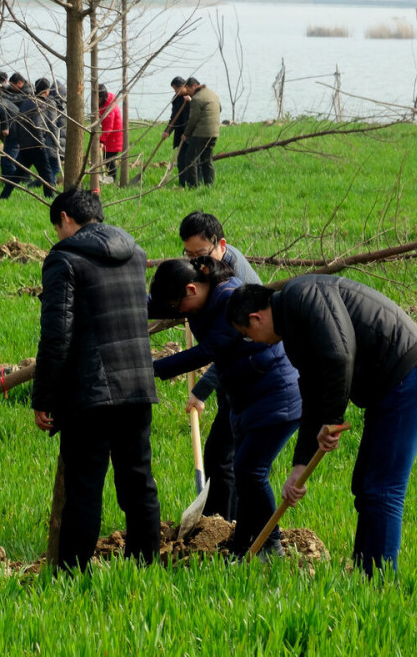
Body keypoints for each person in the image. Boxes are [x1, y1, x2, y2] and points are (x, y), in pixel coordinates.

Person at [226, 277, 417, 576]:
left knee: (381, 488)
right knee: (365, 486)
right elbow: (312, 395)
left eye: (247, 335)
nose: (254, 342)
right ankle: (366, 573)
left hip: (409, 375)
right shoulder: (294, 332)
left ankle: (378, 582)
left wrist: (332, 421)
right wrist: (300, 465)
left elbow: (339, 355)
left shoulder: (303, 296)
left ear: (256, 318)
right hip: (390, 387)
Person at [32, 189, 160, 570]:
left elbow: (57, 334)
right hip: (137, 385)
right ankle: (145, 564)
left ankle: (72, 574)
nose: (57, 235)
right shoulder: (136, 253)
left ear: (67, 218)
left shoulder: (64, 259)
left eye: (57, 226)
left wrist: (43, 397)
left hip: (89, 392)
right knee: (138, 483)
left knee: (84, 489)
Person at [148, 257, 301, 558]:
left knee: (251, 472)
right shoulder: (203, 297)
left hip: (275, 394)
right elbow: (158, 305)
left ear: (191, 290)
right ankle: (241, 544)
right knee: (244, 474)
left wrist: (148, 367)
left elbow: (208, 351)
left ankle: (272, 544)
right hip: (245, 398)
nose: (178, 314)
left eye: (178, 306)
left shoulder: (229, 299)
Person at [174, 210, 262, 521]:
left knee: (225, 457)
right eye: (188, 255)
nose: (195, 263)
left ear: (220, 245)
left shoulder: (233, 285)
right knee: (224, 456)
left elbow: (226, 347)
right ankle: (219, 522)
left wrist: (201, 389)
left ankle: (222, 526)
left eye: (200, 255)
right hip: (235, 370)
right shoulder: (206, 267)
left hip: (254, 372)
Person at [2, 77, 55, 198]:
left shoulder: (27, 102)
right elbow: (37, 125)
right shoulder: (40, 104)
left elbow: (19, 123)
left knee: (17, 174)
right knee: (46, 174)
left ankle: (4, 196)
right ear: (46, 91)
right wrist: (41, 141)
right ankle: (50, 198)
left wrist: (21, 140)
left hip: (25, 144)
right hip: (36, 145)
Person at [181, 77, 220, 188]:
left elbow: (193, 119)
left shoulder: (197, 99)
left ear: (194, 86)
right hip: (214, 133)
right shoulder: (213, 94)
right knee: (207, 159)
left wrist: (186, 134)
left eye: (188, 90)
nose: (188, 93)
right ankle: (209, 185)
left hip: (201, 134)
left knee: (190, 158)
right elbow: (220, 109)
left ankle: (192, 186)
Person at [0, 73, 30, 199]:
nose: (11, 87)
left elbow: (14, 98)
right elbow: (11, 93)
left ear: (20, 83)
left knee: (10, 158)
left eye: (12, 85)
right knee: (19, 158)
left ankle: (10, 181)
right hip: (20, 128)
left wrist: (0, 92)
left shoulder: (27, 93)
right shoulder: (21, 89)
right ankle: (20, 180)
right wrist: (2, 87)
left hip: (20, 128)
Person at [162, 76, 192, 187]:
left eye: (177, 89)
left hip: (191, 133)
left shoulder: (192, 97)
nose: (176, 92)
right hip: (180, 133)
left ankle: (193, 183)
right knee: (181, 160)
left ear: (184, 86)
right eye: (174, 90)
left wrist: (190, 101)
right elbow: (174, 117)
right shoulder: (176, 99)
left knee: (191, 160)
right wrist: (167, 131)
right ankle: (182, 183)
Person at [98, 84, 124, 182]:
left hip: (114, 137)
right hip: (110, 136)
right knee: (107, 158)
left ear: (102, 97)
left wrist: (101, 140)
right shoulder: (104, 104)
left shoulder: (109, 107)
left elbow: (109, 127)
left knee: (109, 159)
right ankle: (110, 178)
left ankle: (113, 178)